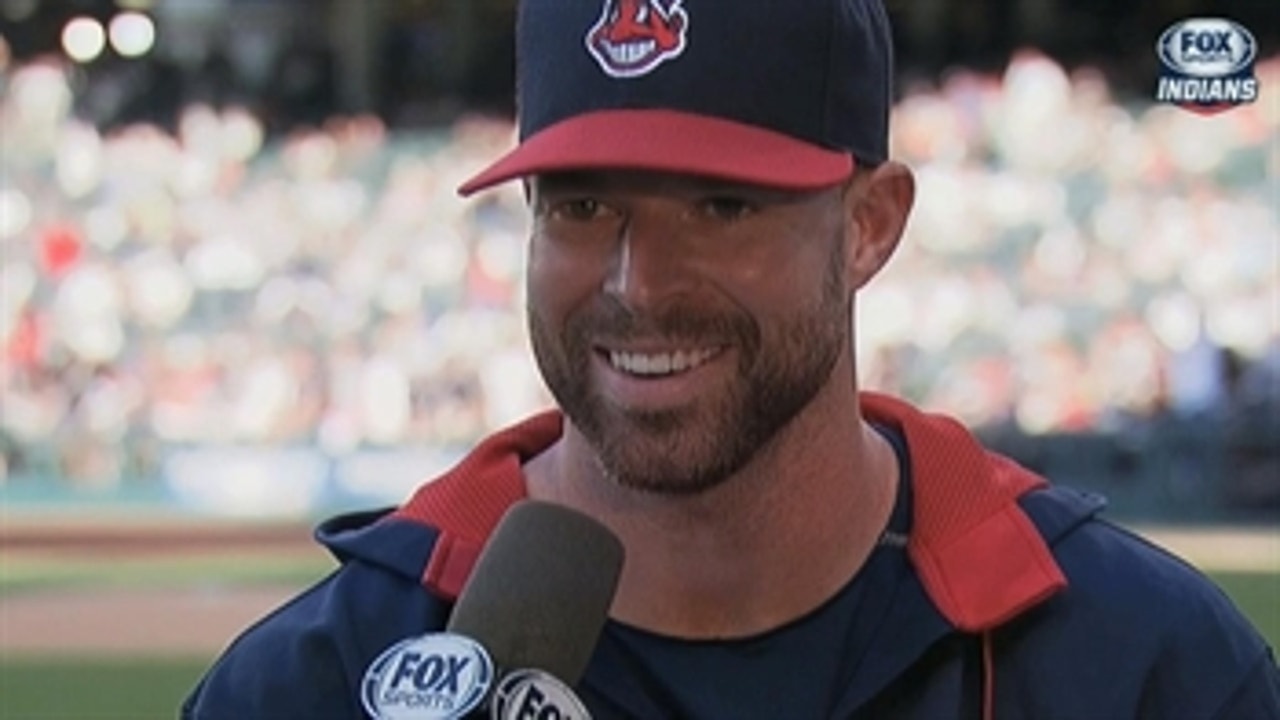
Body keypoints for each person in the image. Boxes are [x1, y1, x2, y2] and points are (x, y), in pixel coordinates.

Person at [183, 1, 1280, 718]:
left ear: (867, 226)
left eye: (721, 206)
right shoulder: (317, 684)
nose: (635, 282)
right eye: (580, 205)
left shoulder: (1142, 665)